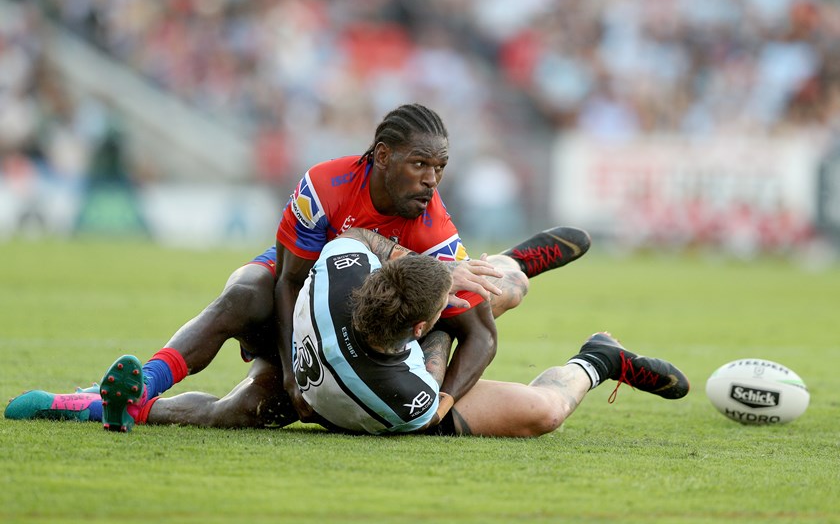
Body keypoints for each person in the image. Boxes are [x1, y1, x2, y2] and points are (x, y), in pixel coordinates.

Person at [5, 103, 592, 431]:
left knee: (232, 417)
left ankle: (98, 405)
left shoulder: (433, 227)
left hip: (364, 342)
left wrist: (438, 401)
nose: (432, 179)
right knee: (245, 287)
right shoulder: (327, 185)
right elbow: (289, 278)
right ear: (382, 157)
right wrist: (291, 370)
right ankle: (135, 387)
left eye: (440, 168)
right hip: (297, 310)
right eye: (420, 165)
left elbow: (477, 330)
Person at [6, 228, 688, 437]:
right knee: (540, 408)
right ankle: (597, 359)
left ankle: (78, 402)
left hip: (310, 348)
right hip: (370, 390)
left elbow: (353, 237)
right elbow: (446, 375)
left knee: (229, 413)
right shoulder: (410, 394)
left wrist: (405, 262)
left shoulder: (343, 266)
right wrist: (450, 349)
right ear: (422, 328)